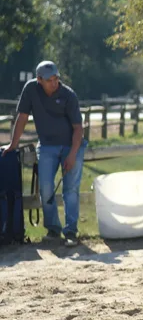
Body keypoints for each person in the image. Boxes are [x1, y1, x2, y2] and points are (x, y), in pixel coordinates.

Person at [1, 61, 87, 247]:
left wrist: (72, 154)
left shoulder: (68, 95)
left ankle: (71, 232)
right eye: (50, 80)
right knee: (46, 188)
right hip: (47, 145)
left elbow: (78, 128)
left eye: (56, 78)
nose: (54, 83)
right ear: (39, 79)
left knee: (70, 189)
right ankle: (53, 230)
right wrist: (13, 145)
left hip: (71, 145)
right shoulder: (30, 89)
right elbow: (22, 117)